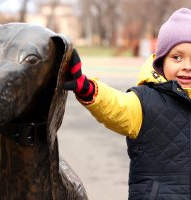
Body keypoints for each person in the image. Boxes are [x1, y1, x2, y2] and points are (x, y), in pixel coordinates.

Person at [64, 8, 191, 200]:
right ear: (161, 61)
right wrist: (88, 89)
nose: (187, 66)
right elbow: (116, 106)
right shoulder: (144, 102)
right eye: (177, 57)